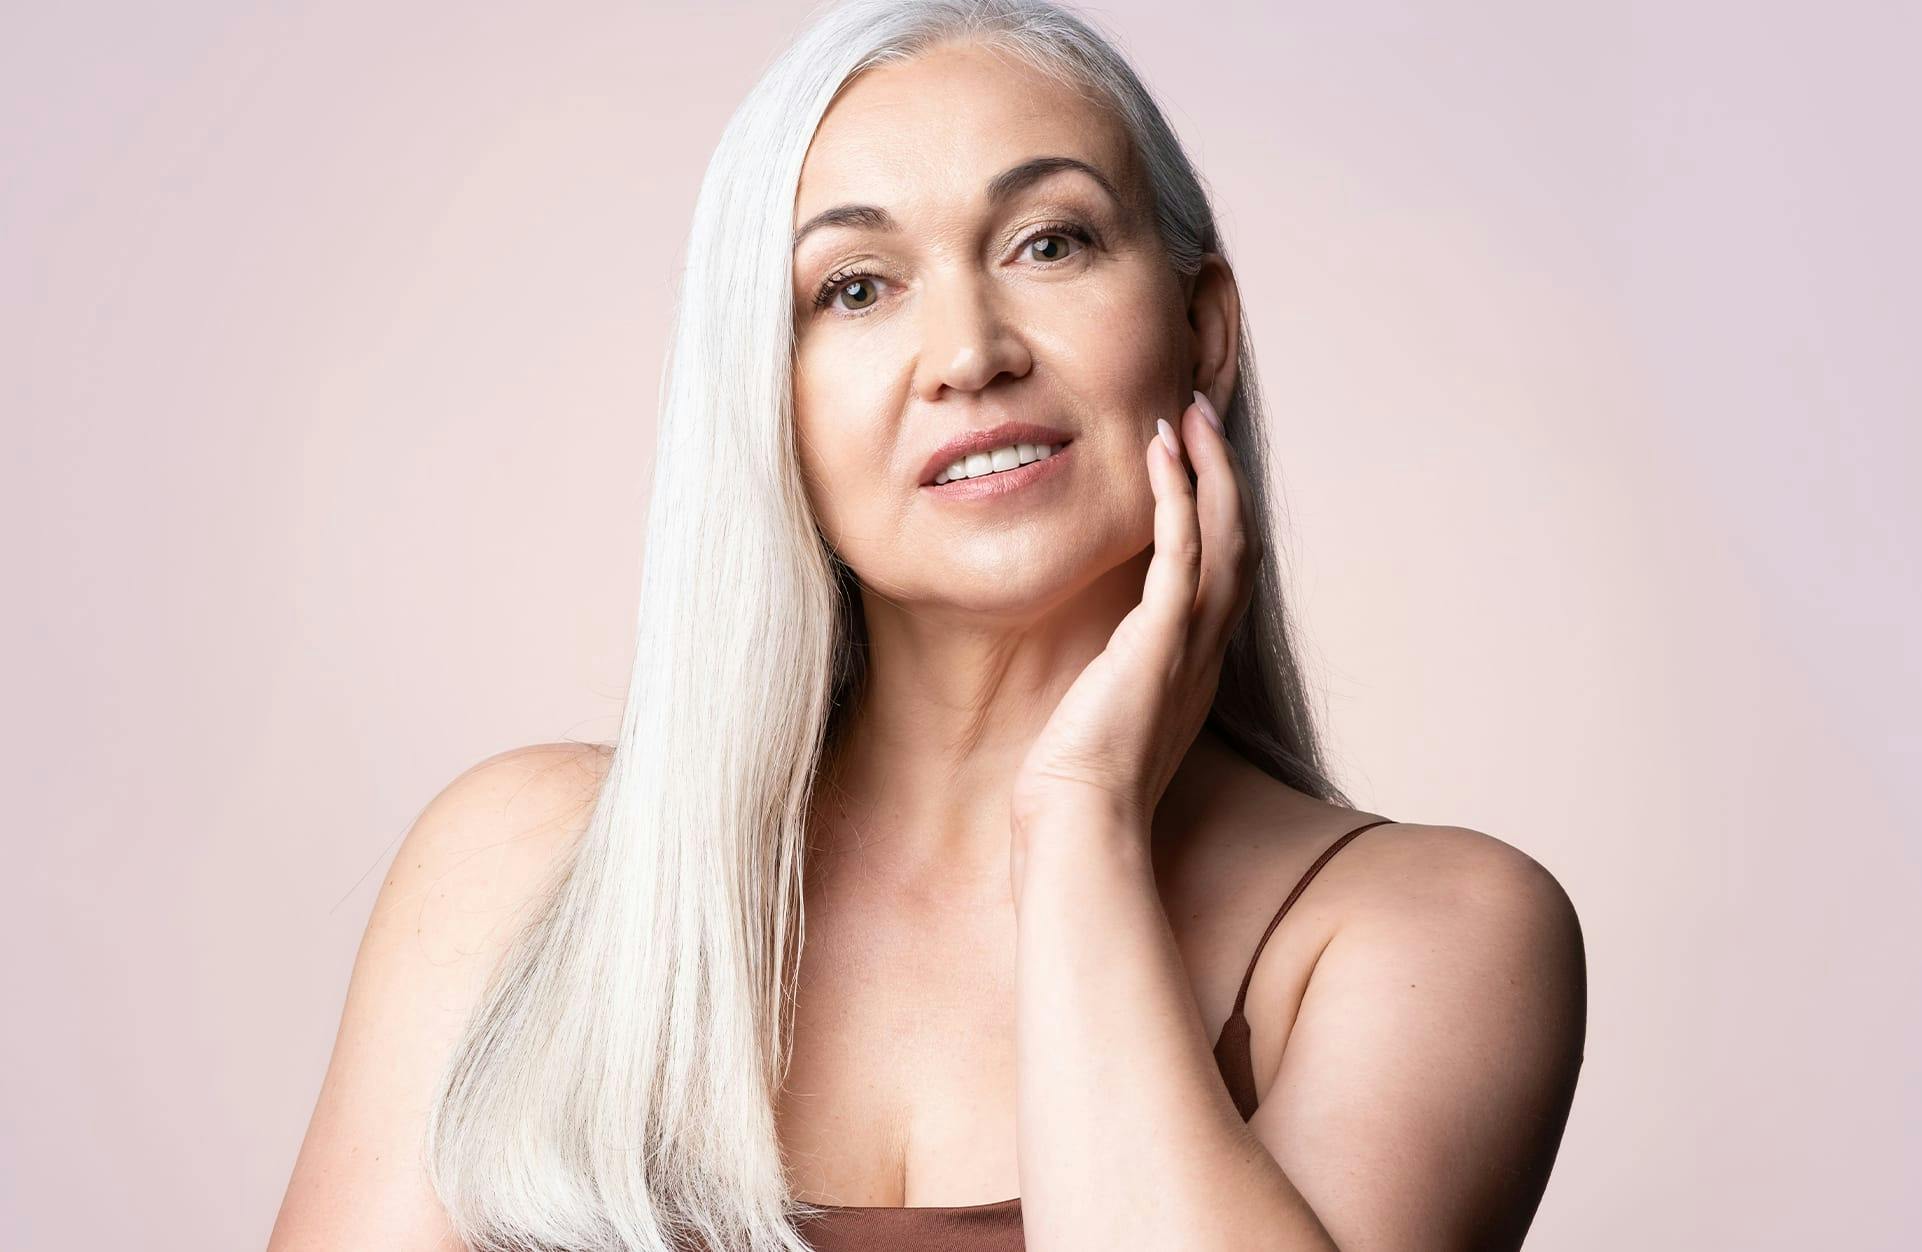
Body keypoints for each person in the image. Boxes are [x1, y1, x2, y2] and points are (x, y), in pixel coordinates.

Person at [267, 2, 1586, 1249]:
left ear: (1203, 330)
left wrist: (1080, 818)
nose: (966, 350)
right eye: (851, 287)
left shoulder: (1425, 938)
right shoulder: (522, 875)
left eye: (1048, 242)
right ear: (763, 399)